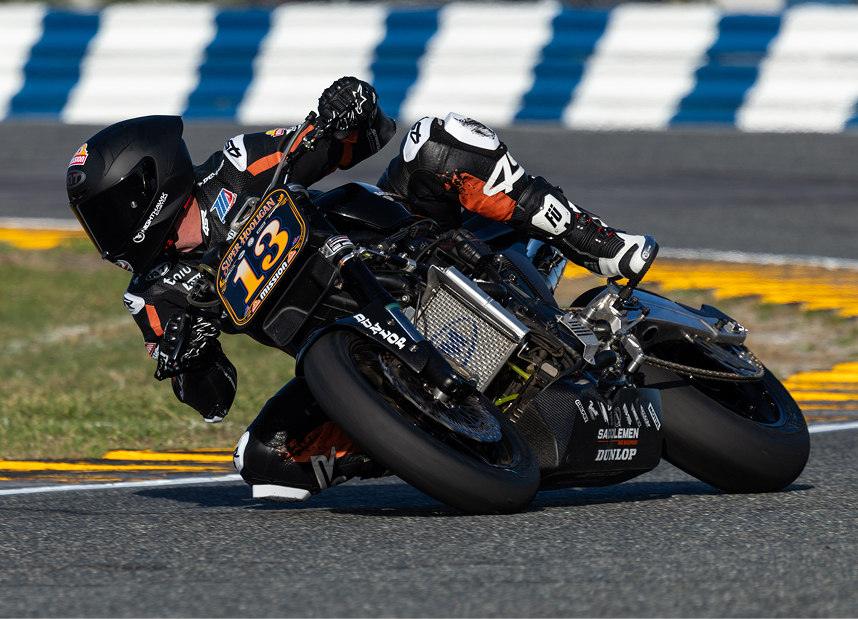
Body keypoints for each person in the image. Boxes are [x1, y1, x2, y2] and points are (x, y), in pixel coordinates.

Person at [67, 77, 657, 502]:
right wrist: (191, 360)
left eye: (110, 213)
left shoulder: (237, 166)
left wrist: (346, 111)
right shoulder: (154, 296)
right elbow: (212, 399)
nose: (107, 233)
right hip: (348, 350)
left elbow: (349, 140)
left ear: (152, 184)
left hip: (405, 241)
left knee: (437, 137)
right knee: (265, 462)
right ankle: (422, 437)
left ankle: (600, 243)